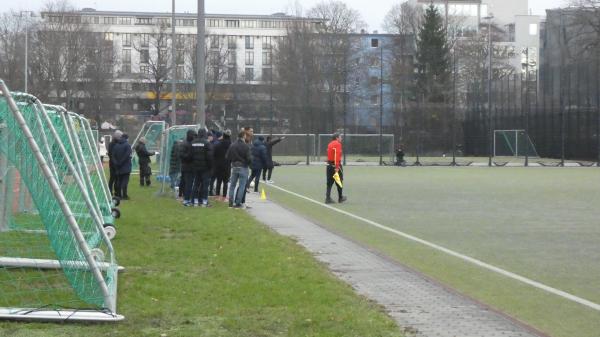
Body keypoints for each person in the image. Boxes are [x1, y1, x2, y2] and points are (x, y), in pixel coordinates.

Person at [226, 130, 251, 208]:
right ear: (243, 136)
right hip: (243, 167)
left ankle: (230, 202)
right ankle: (238, 203)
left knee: (232, 186)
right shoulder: (246, 146)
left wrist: (233, 161)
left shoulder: (232, 145)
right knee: (242, 186)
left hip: (234, 167)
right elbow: (249, 158)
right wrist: (248, 163)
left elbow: (227, 157)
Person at [190, 128, 213, 207]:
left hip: (195, 167)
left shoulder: (193, 142)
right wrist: (210, 167)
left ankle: (195, 201)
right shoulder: (207, 143)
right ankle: (204, 202)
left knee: (196, 184)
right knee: (205, 185)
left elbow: (191, 155)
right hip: (205, 168)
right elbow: (210, 157)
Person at [325, 133, 347, 204]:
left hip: (329, 165)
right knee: (339, 181)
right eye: (340, 137)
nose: (341, 138)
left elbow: (329, 154)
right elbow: (337, 156)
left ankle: (327, 198)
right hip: (335, 166)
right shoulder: (337, 144)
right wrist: (337, 167)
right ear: (337, 138)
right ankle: (340, 198)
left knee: (329, 183)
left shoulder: (329, 144)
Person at [179, 129, 198, 206]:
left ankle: (187, 198)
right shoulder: (186, 144)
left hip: (188, 167)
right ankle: (187, 200)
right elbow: (182, 156)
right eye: (193, 135)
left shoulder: (188, 143)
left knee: (187, 183)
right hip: (188, 167)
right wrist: (190, 155)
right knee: (188, 184)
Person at [213, 130, 232, 201]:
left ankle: (217, 196)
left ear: (223, 136)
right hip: (227, 165)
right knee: (225, 182)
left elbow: (214, 155)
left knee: (219, 181)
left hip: (219, 165)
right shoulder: (231, 145)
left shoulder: (218, 144)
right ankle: (224, 197)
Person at [112, 133, 133, 200]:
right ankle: (124, 195)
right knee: (125, 181)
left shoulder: (116, 145)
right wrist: (121, 162)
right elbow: (127, 155)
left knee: (119, 181)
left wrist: (116, 163)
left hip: (118, 167)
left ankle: (119, 195)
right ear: (127, 138)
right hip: (126, 166)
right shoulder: (127, 145)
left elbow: (113, 156)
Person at [107, 130, 123, 196]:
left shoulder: (113, 143)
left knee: (115, 178)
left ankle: (115, 192)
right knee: (113, 178)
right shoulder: (113, 144)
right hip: (114, 163)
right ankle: (111, 192)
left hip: (113, 163)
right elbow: (111, 154)